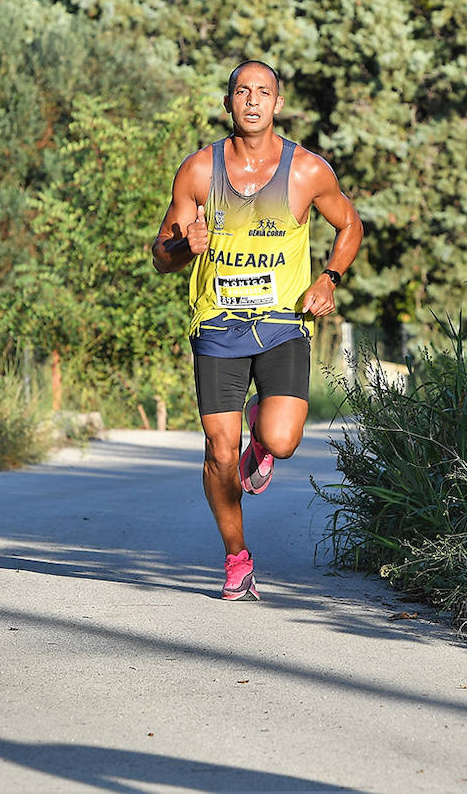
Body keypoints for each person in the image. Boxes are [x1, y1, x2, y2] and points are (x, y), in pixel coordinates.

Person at [151, 60, 362, 600]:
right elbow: (161, 256)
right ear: (228, 103)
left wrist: (330, 278)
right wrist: (182, 247)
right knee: (220, 453)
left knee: (283, 440)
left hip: (282, 322)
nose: (251, 100)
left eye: (262, 92)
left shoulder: (307, 171)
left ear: (277, 104)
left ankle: (261, 437)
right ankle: (237, 558)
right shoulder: (199, 171)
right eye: (242, 91)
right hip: (218, 325)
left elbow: (350, 223)